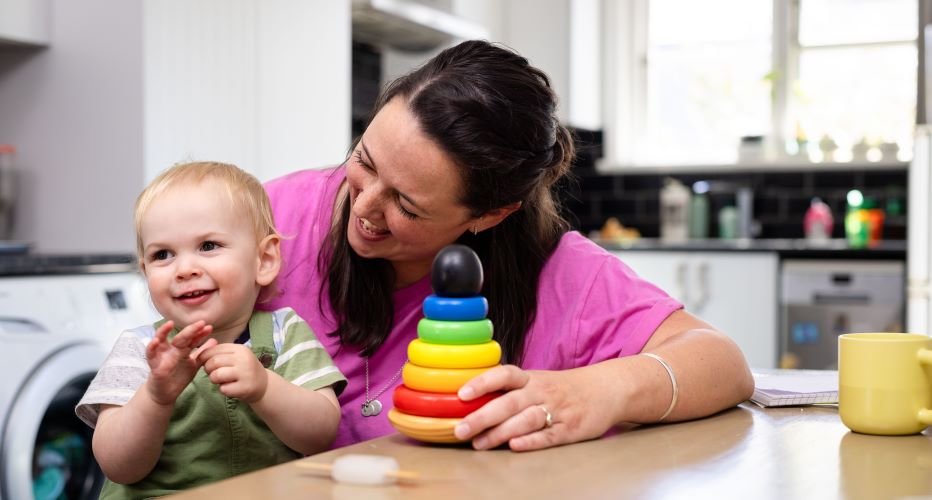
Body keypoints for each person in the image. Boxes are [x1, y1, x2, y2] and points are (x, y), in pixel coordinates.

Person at [261, 40, 754, 451]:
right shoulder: (276, 217)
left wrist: (599, 390)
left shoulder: (559, 274)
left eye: (407, 206)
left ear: (489, 214)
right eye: (363, 161)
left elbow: (722, 363)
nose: (364, 206)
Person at [75, 162, 346, 498]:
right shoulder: (139, 349)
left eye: (208, 246)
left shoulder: (285, 333)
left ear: (263, 260)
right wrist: (156, 398)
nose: (185, 268)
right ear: (146, 272)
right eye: (163, 254)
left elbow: (321, 434)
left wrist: (264, 388)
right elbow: (117, 465)